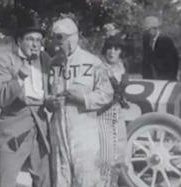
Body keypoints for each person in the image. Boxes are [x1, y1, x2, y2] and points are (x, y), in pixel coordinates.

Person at [45, 17, 113, 187]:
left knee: (86, 177)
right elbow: (46, 94)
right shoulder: (53, 65)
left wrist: (83, 99)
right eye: (54, 41)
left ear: (72, 39)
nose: (56, 47)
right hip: (58, 130)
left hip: (84, 130)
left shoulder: (93, 63)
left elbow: (107, 94)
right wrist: (49, 102)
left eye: (60, 42)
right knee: (60, 176)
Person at [0, 18, 51, 187]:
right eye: (30, 39)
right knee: (6, 180)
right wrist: (19, 77)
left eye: (39, 40)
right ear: (19, 41)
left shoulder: (46, 59)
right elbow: (0, 99)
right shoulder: (6, 61)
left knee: (45, 179)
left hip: (40, 125)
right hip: (14, 126)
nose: (35, 44)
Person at [99, 35, 129, 186]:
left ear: (121, 51)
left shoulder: (122, 67)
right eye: (109, 48)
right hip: (102, 115)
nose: (112, 52)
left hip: (119, 115)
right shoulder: (99, 67)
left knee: (119, 157)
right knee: (105, 158)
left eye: (116, 49)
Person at [142, 16, 179, 80]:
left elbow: (173, 61)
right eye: (146, 30)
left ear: (155, 29)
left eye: (148, 30)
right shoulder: (146, 41)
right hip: (151, 77)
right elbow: (146, 60)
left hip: (165, 77)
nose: (147, 33)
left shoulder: (166, 40)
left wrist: (170, 77)